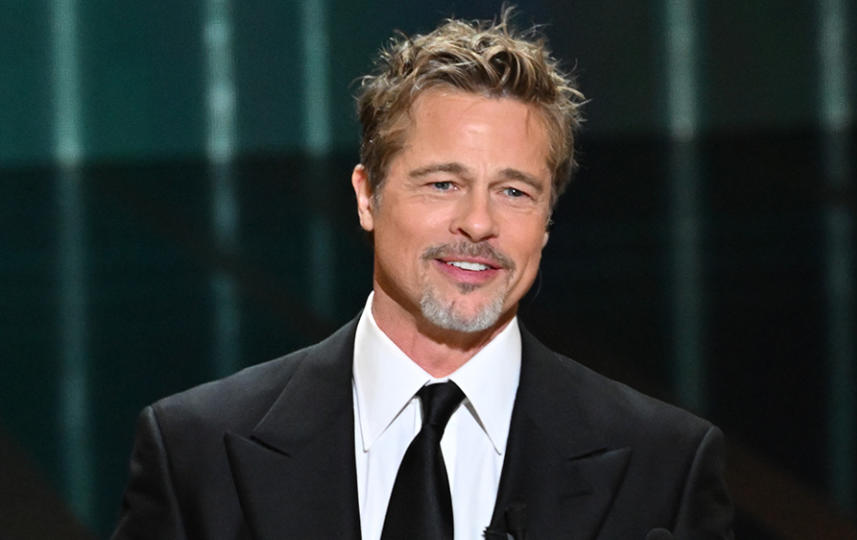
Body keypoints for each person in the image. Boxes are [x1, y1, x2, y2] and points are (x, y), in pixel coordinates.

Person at [112, 10, 734, 540]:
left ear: (547, 219)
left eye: (514, 192)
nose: (478, 223)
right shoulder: (194, 450)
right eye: (443, 184)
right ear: (367, 196)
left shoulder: (666, 467)